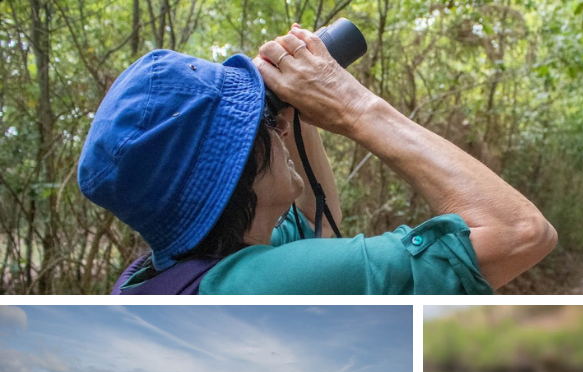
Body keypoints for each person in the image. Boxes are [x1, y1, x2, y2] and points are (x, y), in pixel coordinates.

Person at [77, 25, 557, 295]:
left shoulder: (166, 274)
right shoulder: (254, 286)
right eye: (259, 126)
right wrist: (349, 103)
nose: (275, 128)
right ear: (234, 173)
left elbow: (315, 222)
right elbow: (520, 233)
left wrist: (294, 110)